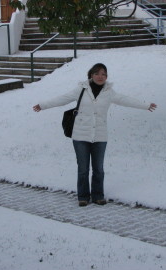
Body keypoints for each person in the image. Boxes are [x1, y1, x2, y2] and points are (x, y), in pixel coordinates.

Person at [33, 63, 157, 207]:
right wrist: (42, 105)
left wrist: (146, 105)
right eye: (97, 73)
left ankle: (98, 195)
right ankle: (83, 196)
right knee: (83, 168)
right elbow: (62, 98)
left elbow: (125, 100)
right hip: (80, 136)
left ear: (106, 77)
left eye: (103, 74)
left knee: (98, 169)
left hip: (100, 136)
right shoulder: (81, 89)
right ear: (91, 75)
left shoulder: (109, 92)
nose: (100, 76)